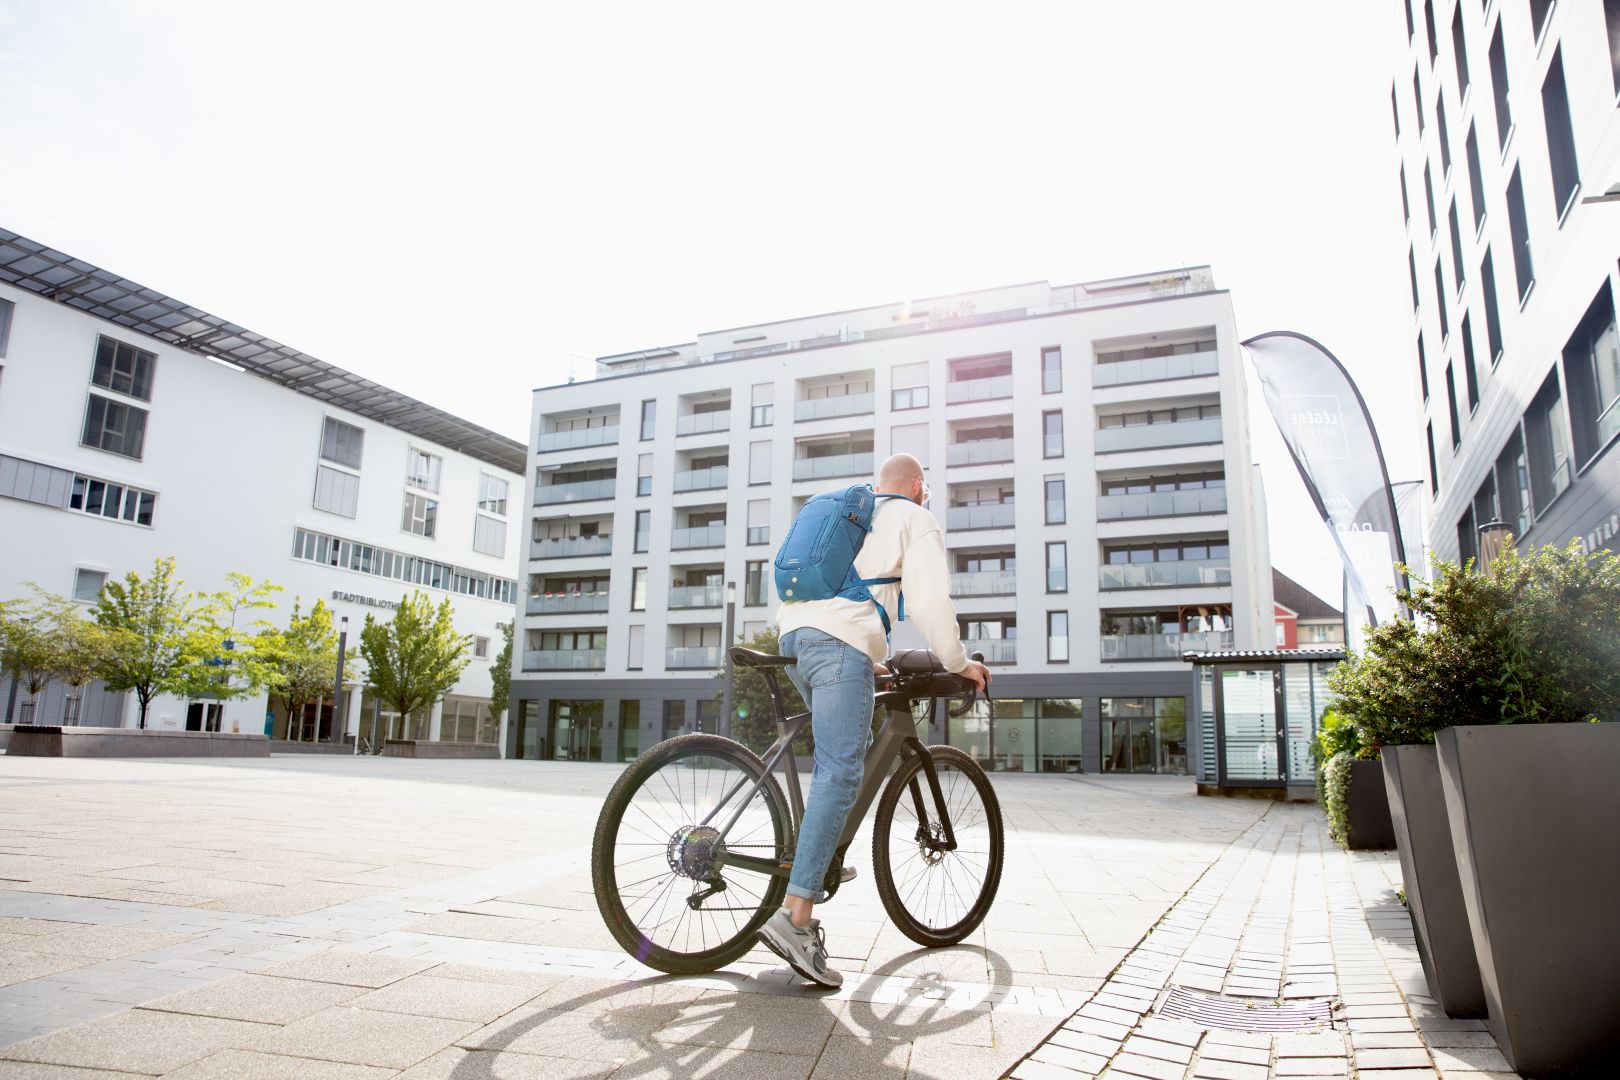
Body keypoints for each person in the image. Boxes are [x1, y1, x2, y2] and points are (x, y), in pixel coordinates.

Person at [757, 452, 991, 988]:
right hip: (840, 645)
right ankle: (796, 915)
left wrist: (871, 653)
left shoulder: (847, 514)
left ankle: (813, 856)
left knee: (845, 757)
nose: (926, 496)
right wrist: (959, 663)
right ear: (914, 485)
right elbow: (931, 601)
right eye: (925, 488)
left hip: (796, 636)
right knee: (841, 771)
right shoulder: (913, 517)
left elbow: (846, 593)